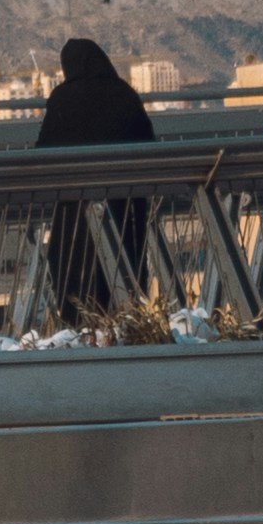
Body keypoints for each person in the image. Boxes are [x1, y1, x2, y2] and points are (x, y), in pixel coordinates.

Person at [34, 26, 159, 320]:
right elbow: (147, 142)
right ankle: (129, 322)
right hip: (125, 205)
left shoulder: (63, 98)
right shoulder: (125, 95)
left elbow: (44, 149)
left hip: (75, 207)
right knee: (125, 265)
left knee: (75, 268)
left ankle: (81, 324)